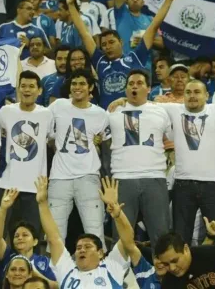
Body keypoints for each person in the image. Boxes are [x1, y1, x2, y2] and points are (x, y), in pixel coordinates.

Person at [67, 0, 177, 108]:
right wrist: (70, 5)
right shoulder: (99, 61)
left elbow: (153, 27)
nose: (108, 46)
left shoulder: (135, 56)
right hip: (107, 116)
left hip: (132, 113)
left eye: (111, 42)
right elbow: (84, 34)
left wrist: (168, 0)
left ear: (121, 42)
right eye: (104, 44)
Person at [108, 69, 172, 249]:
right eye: (131, 84)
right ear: (126, 89)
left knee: (161, 236)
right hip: (122, 179)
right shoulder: (113, 110)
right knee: (121, 238)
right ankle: (121, 276)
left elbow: (174, 138)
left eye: (139, 83)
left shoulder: (161, 111)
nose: (134, 87)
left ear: (149, 88)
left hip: (154, 178)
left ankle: (162, 277)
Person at [47, 68, 110, 247]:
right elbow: (45, 130)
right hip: (59, 177)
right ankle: (54, 274)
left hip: (89, 176)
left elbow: (106, 144)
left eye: (82, 83)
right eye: (74, 83)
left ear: (90, 87)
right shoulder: (58, 106)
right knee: (55, 234)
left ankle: (98, 272)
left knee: (95, 232)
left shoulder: (101, 114)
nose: (77, 87)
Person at [35, 176, 130, 288]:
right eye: (78, 248)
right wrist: (42, 203)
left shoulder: (111, 267)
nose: (82, 250)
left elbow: (127, 240)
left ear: (100, 253)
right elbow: (54, 239)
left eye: (88, 247)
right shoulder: (67, 271)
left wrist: (118, 215)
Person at [0, 70, 54, 232]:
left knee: (31, 235)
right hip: (6, 183)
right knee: (0, 234)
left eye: (31, 86)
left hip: (34, 186)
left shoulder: (47, 114)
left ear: (39, 91)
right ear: (18, 89)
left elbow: (53, 140)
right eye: (23, 86)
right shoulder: (6, 111)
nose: (27, 90)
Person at [0, 189, 56, 285]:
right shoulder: (7, 256)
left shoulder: (44, 262)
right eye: (16, 236)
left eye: (25, 235)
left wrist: (34, 273)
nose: (20, 238)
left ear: (35, 241)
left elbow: (56, 286)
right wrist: (3, 209)